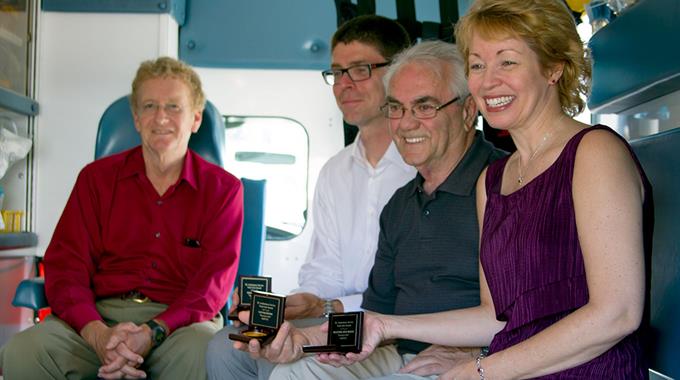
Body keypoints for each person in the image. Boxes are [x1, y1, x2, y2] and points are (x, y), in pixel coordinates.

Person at [319, 0, 652, 378]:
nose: (487, 80)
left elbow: (617, 313)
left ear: (553, 67)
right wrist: (387, 326)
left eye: (506, 61)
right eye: (477, 65)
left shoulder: (594, 153)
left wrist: (481, 370)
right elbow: (496, 317)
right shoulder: (493, 181)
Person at [228, 40, 507, 380]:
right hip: (401, 352)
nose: (405, 124)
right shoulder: (400, 205)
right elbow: (376, 312)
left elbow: (527, 311)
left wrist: (479, 355)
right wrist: (304, 340)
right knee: (292, 373)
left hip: (480, 360)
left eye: (424, 107)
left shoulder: (505, 184)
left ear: (467, 112)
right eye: (396, 108)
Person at [0, 57, 243, 380]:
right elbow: (67, 267)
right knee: (24, 350)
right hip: (98, 317)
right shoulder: (95, 180)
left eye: (173, 106)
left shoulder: (224, 190)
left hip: (179, 328)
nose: (161, 117)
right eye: (149, 106)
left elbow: (210, 287)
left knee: (204, 351)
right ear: (136, 118)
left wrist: (151, 332)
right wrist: (98, 334)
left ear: (196, 118)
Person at [206, 15, 415, 380]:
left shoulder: (420, 167)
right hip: (335, 315)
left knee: (296, 368)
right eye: (337, 72)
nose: (344, 85)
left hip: (393, 325)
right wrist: (299, 302)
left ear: (398, 72)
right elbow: (324, 270)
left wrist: (329, 305)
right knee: (225, 346)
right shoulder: (334, 171)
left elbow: (414, 286)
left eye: (360, 69)